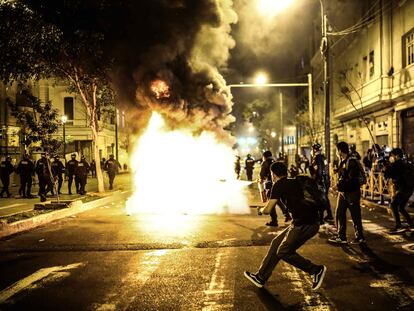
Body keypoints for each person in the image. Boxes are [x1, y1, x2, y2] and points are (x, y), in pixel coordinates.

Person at [244, 162, 327, 291]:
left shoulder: (278, 185)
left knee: (283, 251)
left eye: (271, 174)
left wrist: (261, 210)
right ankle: (261, 277)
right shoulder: (294, 181)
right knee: (276, 243)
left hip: (304, 225)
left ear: (273, 174)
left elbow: (268, 209)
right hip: (308, 222)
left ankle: (315, 270)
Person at [329, 141, 366, 244]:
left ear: (340, 151)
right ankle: (342, 237)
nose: (337, 152)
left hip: (352, 192)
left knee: (355, 215)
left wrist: (338, 186)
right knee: (339, 213)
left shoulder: (351, 161)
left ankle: (360, 237)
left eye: (337, 150)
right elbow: (344, 175)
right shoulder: (343, 160)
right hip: (344, 193)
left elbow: (352, 180)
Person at [384, 148, 414, 232]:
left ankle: (398, 224)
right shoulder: (405, 163)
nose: (391, 157)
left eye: (392, 155)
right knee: (401, 207)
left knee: (393, 205)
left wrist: (387, 166)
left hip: (403, 189)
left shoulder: (397, 164)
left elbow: (388, 175)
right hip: (409, 189)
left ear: (396, 156)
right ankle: (411, 223)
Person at [259, 151, 291, 226]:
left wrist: (261, 179)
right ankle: (287, 215)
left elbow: (262, 174)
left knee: (272, 200)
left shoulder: (265, 163)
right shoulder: (274, 161)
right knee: (278, 200)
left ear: (264, 156)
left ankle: (274, 220)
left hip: (271, 184)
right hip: (278, 183)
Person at [310, 143, 334, 222]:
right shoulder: (323, 157)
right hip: (326, 179)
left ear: (314, 150)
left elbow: (319, 170)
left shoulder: (317, 158)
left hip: (321, 180)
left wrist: (317, 181)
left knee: (320, 198)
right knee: (324, 198)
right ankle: (329, 215)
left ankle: (320, 218)